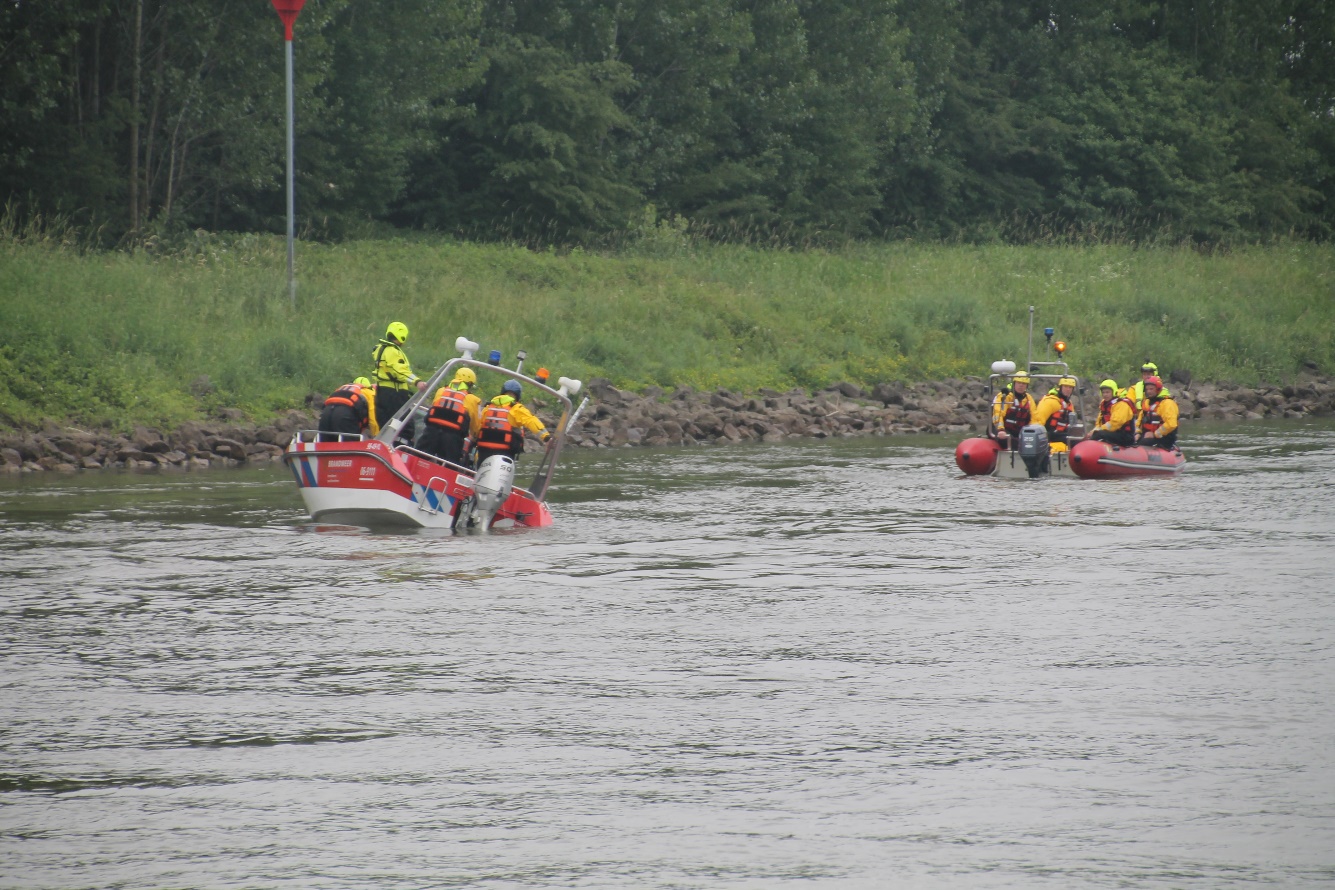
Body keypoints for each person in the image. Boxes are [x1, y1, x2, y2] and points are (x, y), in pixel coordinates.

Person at [473, 380, 551, 465]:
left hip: (483, 452)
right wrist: (546, 438)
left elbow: (478, 426)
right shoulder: (516, 409)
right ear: (517, 396)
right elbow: (531, 421)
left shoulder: (488, 408)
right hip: (504, 454)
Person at [418, 368, 481, 466]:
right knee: (449, 467)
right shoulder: (471, 399)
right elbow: (475, 426)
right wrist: (475, 436)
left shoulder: (441, 391)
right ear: (470, 384)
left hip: (430, 433)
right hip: (452, 439)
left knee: (418, 458)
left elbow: (434, 407)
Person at [371, 321, 427, 432]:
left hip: (383, 392)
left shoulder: (382, 350)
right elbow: (400, 370)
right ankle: (399, 447)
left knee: (386, 424)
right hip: (395, 394)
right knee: (406, 427)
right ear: (402, 336)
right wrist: (417, 381)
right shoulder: (392, 351)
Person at [317, 377, 376, 441]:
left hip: (326, 413)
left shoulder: (343, 388)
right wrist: (376, 436)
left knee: (325, 446)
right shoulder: (370, 392)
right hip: (345, 415)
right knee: (349, 447)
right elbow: (374, 419)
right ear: (368, 386)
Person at [990, 373, 1036, 451]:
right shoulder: (1005, 396)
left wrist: (1033, 432)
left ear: (1027, 386)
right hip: (1001, 429)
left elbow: (1035, 417)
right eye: (1018, 383)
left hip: (1018, 431)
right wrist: (1001, 430)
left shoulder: (1029, 399)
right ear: (1014, 383)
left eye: (1024, 383)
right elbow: (998, 413)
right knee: (1015, 444)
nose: (1021, 385)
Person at [1032, 375, 1077, 449]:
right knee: (1073, 441)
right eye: (1065, 387)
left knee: (1078, 440)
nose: (1068, 389)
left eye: (1070, 387)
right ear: (1060, 387)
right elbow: (1038, 422)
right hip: (1050, 435)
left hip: (1062, 434)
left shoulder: (1069, 404)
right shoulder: (1050, 401)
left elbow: (1072, 424)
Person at [1088, 379, 1136, 447]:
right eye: (1103, 392)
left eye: (1107, 392)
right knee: (1094, 434)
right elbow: (1099, 423)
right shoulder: (1104, 405)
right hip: (1112, 433)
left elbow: (1115, 423)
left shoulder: (1121, 405)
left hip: (1125, 436)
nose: (1105, 395)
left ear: (1113, 392)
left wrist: (1100, 430)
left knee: (1099, 434)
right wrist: (1093, 431)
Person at [1136, 375, 1180, 449]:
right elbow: (1139, 422)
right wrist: (1137, 433)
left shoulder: (1167, 403)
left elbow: (1171, 424)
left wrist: (1154, 434)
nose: (1149, 391)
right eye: (1147, 389)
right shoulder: (1147, 403)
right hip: (1148, 435)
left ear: (1158, 389)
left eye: (1151, 389)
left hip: (1163, 438)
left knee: (1142, 443)